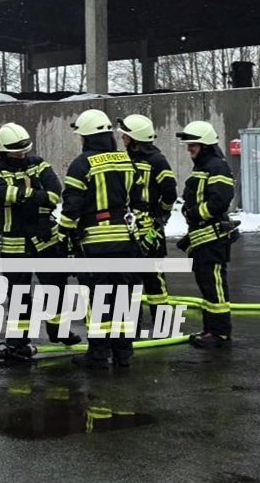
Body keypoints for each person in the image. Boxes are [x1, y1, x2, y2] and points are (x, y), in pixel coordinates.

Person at [58, 109, 150, 369]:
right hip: (125, 240)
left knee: (99, 299)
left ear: (86, 137)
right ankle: (123, 353)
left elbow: (72, 206)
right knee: (122, 296)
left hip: (95, 244)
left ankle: (98, 354)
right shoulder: (126, 161)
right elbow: (139, 202)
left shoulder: (81, 164)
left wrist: (63, 233)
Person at [0, 122, 78, 361]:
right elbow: (1, 193)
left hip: (45, 237)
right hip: (14, 243)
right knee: (19, 294)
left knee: (56, 286)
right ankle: (17, 340)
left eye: (24, 149)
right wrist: (36, 195)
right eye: (17, 151)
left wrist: (30, 201)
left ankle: (59, 330)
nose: (22, 154)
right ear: (4, 149)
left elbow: (54, 193)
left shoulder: (39, 164)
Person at [175, 120, 236, 348]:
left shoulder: (217, 166)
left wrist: (196, 213)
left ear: (205, 145)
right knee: (206, 284)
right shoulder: (202, 167)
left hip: (212, 237)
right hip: (201, 237)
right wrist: (188, 210)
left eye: (193, 145)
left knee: (214, 284)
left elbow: (221, 199)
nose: (189, 149)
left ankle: (220, 333)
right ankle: (210, 328)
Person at [117, 114, 177, 329]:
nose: (122, 138)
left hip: (150, 227)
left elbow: (170, 191)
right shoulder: (124, 159)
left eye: (125, 136)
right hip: (129, 227)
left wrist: (161, 214)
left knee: (154, 278)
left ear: (135, 139)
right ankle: (132, 326)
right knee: (130, 278)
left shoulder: (157, 161)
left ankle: (163, 325)